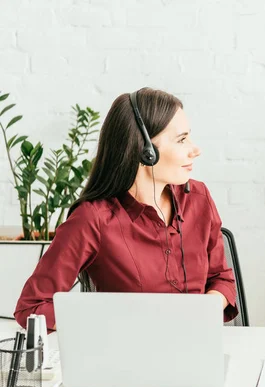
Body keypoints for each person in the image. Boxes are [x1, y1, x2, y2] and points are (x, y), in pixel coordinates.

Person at [14, 88, 238, 330]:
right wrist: (114, 321)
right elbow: (32, 307)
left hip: (198, 347)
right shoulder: (94, 219)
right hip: (127, 358)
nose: (195, 149)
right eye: (181, 139)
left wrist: (198, 315)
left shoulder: (198, 198)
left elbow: (222, 279)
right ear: (146, 150)